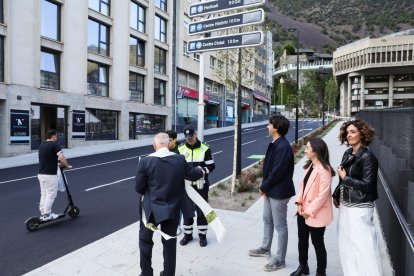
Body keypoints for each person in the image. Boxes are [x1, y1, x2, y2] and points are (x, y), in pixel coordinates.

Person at [135, 133, 204, 276]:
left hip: (150, 210)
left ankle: (146, 273)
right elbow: (192, 174)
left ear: (154, 145)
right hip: (171, 209)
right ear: (168, 144)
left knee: (145, 241)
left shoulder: (145, 162)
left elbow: (139, 189)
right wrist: (200, 171)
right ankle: (168, 273)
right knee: (170, 243)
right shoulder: (179, 159)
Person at [332, 119, 383, 276]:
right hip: (346, 204)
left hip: (360, 207)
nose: (349, 135)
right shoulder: (348, 153)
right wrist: (336, 193)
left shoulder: (368, 157)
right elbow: (342, 177)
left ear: (362, 134)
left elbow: (368, 185)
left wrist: (346, 179)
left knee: (364, 246)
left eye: (353, 132)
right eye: (347, 132)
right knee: (346, 244)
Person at [249, 115, 295, 272]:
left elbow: (277, 172)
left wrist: (264, 186)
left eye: (269, 124)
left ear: (275, 128)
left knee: (280, 226)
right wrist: (266, 186)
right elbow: (270, 169)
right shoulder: (276, 144)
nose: (267, 126)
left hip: (279, 191)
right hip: (271, 189)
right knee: (267, 219)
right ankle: (265, 248)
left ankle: (280, 259)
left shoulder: (283, 147)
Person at [291, 138, 335, 276]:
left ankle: (321, 272)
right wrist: (299, 204)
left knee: (318, 243)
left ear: (315, 151)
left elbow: (322, 195)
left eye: (308, 148)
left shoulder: (325, 170)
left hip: (316, 213)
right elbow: (302, 187)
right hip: (302, 210)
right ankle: (303, 266)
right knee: (302, 240)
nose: (305, 150)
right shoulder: (310, 166)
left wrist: (308, 211)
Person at [178, 125, 215, 247]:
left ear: (195, 134)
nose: (190, 140)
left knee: (202, 211)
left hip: (201, 185)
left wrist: (202, 171)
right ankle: (188, 235)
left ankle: (202, 236)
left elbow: (211, 166)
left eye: (191, 137)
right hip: (186, 186)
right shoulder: (181, 149)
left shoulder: (205, 148)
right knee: (187, 211)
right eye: (187, 138)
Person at [37, 129, 70, 221]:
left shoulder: (41, 145)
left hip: (41, 174)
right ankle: (47, 215)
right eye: (56, 135)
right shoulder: (54, 145)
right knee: (51, 194)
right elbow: (62, 157)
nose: (57, 137)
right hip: (50, 175)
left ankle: (43, 213)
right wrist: (67, 165)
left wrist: (57, 164)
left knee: (44, 194)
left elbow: (46, 158)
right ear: (53, 136)